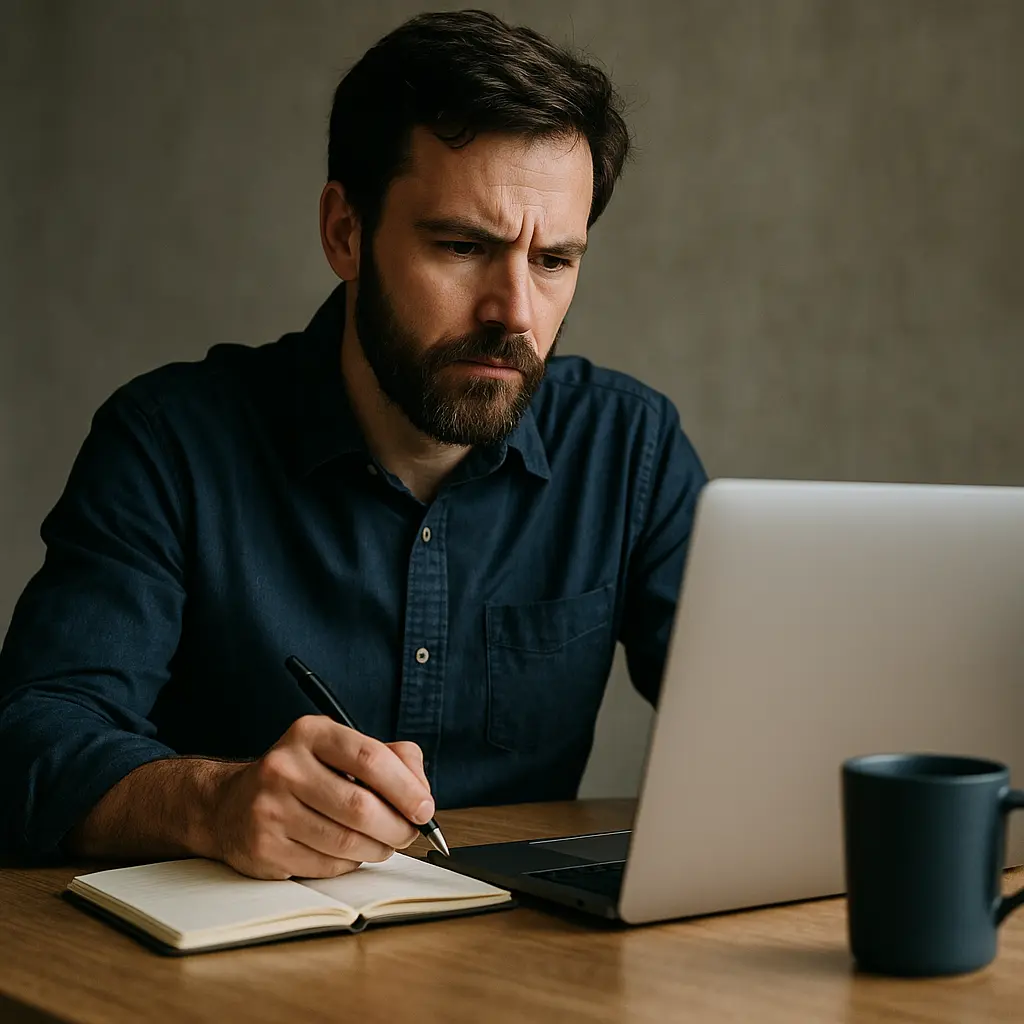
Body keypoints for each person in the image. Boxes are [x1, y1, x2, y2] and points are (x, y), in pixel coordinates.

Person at [0, 10, 707, 878]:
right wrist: (215, 802)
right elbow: (29, 743)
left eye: (554, 261)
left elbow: (761, 723)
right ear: (346, 233)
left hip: (525, 969)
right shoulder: (168, 444)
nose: (515, 314)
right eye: (461, 246)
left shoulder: (629, 450)